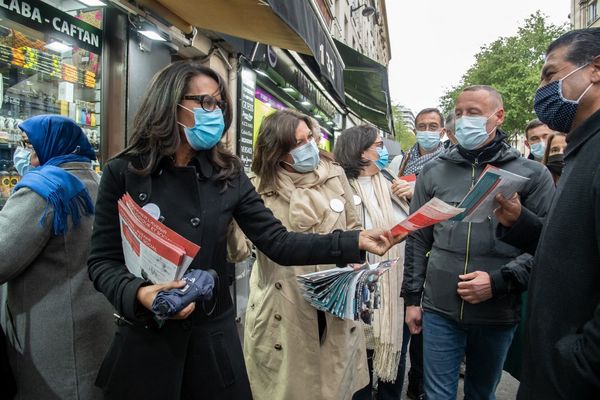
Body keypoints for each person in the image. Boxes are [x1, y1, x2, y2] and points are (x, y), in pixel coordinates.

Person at [87, 61, 403, 399]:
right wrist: (139, 293)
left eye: (220, 103)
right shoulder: (124, 172)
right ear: (171, 105)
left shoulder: (228, 173)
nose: (216, 111)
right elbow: (102, 262)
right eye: (206, 102)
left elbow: (278, 242)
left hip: (212, 346)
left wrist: (353, 241)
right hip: (146, 346)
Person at [402, 85, 555, 400]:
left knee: (481, 393)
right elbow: (417, 237)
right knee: (437, 395)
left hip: (497, 311)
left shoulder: (532, 174)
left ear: (497, 116)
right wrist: (413, 299)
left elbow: (545, 246)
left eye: (473, 112)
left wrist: (498, 283)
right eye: (459, 113)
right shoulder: (433, 170)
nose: (463, 120)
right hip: (439, 307)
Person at [493, 28, 600, 399]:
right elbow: (576, 248)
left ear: (595, 70)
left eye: (551, 75)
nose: (542, 89)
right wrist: (519, 223)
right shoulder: (582, 149)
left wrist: (576, 363)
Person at [235, 110, 367, 399]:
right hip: (283, 306)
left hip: (333, 303)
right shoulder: (254, 187)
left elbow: (354, 227)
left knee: (333, 387)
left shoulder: (334, 174)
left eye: (310, 137)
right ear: (277, 149)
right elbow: (237, 251)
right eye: (298, 143)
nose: (310, 146)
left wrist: (357, 264)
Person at [0, 115, 113, 399]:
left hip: (53, 341)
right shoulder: (95, 181)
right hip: (93, 330)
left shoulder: (43, 190)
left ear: (52, 145)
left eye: (31, 147)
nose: (27, 156)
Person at [334, 125, 410, 400]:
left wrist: (413, 197)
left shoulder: (393, 181)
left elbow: (412, 226)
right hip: (356, 287)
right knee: (359, 358)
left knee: (394, 356)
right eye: (378, 145)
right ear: (359, 150)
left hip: (394, 287)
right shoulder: (338, 185)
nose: (384, 151)